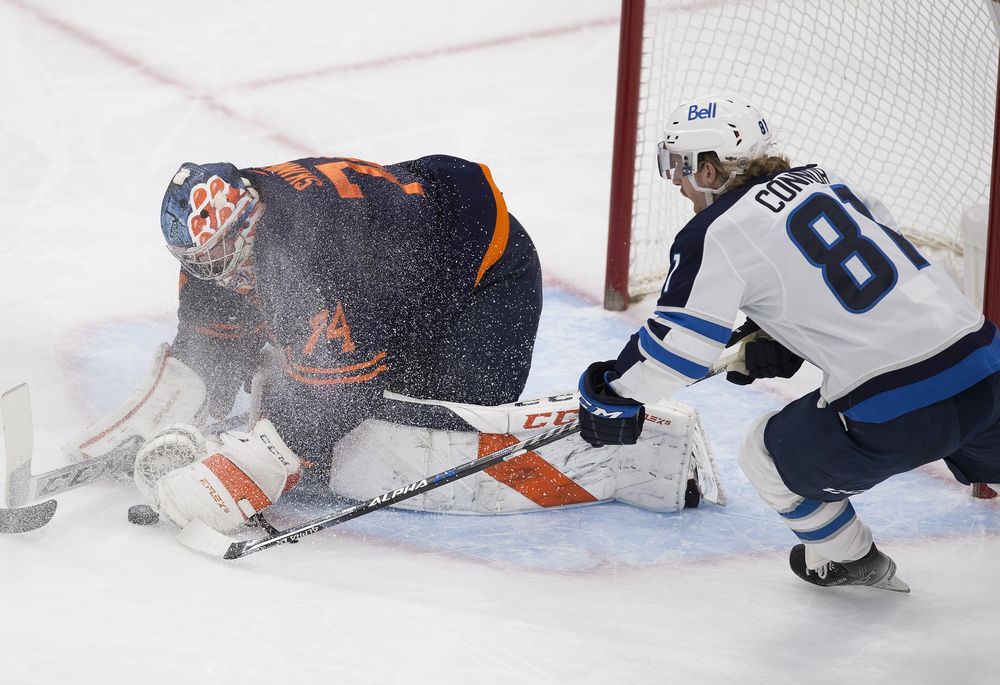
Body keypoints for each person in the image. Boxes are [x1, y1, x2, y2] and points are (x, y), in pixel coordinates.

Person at [64, 154, 722, 532]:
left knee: (428, 435)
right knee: (324, 384)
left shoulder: (314, 246)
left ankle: (638, 458)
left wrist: (252, 463)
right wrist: (163, 415)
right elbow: (211, 344)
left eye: (229, 252)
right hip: (400, 279)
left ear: (251, 217)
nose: (222, 272)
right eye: (205, 261)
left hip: (481, 278)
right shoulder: (228, 240)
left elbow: (346, 386)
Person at [578, 95, 1000, 592]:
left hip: (895, 414)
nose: (674, 181)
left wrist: (614, 391)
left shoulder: (716, 231)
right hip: (987, 369)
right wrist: (780, 336)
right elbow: (880, 274)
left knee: (762, 453)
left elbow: (677, 351)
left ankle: (851, 558)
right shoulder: (829, 181)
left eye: (678, 165)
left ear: (710, 171)